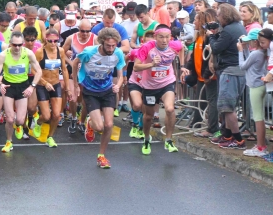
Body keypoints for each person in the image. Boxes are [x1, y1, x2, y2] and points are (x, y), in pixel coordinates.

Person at [71, 28, 125, 168]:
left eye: (114, 45)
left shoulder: (118, 53)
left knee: (108, 125)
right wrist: (76, 84)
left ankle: (101, 156)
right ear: (101, 42)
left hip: (107, 90)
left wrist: (118, 85)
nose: (111, 48)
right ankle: (90, 122)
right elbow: (75, 63)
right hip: (90, 91)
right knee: (99, 127)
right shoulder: (89, 52)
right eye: (108, 45)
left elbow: (120, 75)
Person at [133, 25, 186, 155]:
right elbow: (136, 67)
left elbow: (182, 48)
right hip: (150, 86)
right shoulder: (147, 47)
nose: (164, 40)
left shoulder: (175, 45)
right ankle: (146, 139)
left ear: (170, 38)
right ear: (155, 37)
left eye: (167, 37)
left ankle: (168, 139)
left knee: (169, 109)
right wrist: (151, 64)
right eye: (161, 37)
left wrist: (183, 66)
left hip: (167, 82)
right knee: (148, 117)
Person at [0, 31, 42, 154]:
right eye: (14, 45)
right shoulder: (4, 55)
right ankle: (9, 142)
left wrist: (32, 87)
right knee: (10, 119)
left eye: (20, 45)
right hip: (8, 86)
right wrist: (0, 84)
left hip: (23, 87)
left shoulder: (29, 54)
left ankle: (20, 125)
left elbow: (39, 71)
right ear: (10, 44)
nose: (17, 47)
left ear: (23, 43)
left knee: (19, 120)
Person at [208, 3, 247, 149]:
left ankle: (238, 140)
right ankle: (227, 135)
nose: (217, 18)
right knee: (229, 105)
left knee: (227, 107)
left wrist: (212, 37)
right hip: (238, 69)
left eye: (218, 15)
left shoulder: (229, 30)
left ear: (225, 15)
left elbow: (217, 48)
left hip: (230, 70)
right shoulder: (238, 26)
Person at [181, 10, 220, 138]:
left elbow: (210, 58)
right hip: (200, 76)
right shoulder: (199, 37)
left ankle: (211, 128)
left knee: (210, 101)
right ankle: (195, 124)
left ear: (202, 21)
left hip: (208, 77)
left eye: (196, 20)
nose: (193, 22)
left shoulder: (209, 37)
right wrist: (187, 68)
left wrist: (207, 74)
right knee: (199, 103)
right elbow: (193, 57)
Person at [33, 29, 71, 147]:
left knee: (56, 115)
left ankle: (50, 137)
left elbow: (64, 69)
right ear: (46, 40)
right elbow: (33, 70)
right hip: (42, 85)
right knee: (46, 116)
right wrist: (44, 83)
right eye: (50, 41)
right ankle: (38, 122)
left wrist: (68, 88)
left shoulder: (61, 51)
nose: (53, 43)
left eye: (56, 41)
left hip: (55, 84)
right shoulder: (40, 52)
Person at [238, 28, 270, 157]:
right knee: (259, 116)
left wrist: (240, 51)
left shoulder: (256, 53)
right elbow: (248, 62)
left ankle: (261, 147)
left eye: (250, 42)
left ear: (255, 42)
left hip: (255, 86)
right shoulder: (261, 52)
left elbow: (242, 65)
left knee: (258, 117)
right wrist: (245, 49)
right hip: (260, 84)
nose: (248, 44)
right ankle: (261, 145)